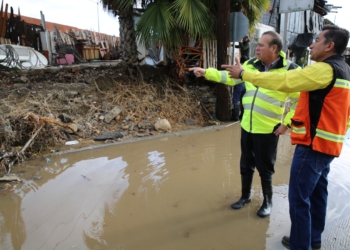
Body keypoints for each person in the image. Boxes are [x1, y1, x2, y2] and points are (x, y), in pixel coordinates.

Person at [223, 25, 350, 250]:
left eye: (317, 40)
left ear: (330, 46)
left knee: (299, 199)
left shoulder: (324, 70)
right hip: (329, 145)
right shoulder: (344, 70)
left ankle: (301, 245)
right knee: (318, 193)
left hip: (313, 144)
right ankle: (313, 239)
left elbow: (284, 81)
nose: (311, 44)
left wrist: (244, 74)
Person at [189, 31, 300, 218]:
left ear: (274, 48)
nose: (257, 47)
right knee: (246, 164)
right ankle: (245, 196)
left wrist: (287, 124)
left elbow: (300, 102)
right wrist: (206, 72)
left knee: (265, 168)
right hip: (247, 126)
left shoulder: (290, 70)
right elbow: (230, 77)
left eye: (262, 45)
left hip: (269, 130)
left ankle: (268, 201)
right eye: (257, 44)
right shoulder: (250, 65)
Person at [231, 56, 247, 121]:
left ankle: (236, 116)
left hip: (238, 85)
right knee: (243, 100)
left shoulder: (237, 66)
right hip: (246, 85)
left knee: (236, 100)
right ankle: (242, 116)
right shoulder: (248, 66)